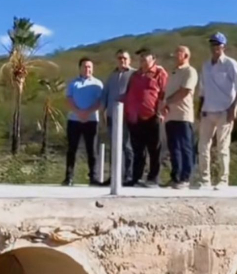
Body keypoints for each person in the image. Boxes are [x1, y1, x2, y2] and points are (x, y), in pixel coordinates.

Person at [197, 32, 237, 190]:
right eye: (212, 44)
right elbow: (202, 89)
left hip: (224, 111)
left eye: (218, 44)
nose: (215, 47)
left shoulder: (230, 64)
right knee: (203, 146)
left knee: (222, 147)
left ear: (223, 46)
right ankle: (205, 179)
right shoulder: (205, 65)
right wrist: (200, 109)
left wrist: (233, 108)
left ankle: (223, 180)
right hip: (208, 111)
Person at [123, 47, 168, 187]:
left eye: (145, 57)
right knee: (138, 150)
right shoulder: (135, 75)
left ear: (153, 59)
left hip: (152, 116)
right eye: (141, 58)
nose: (142, 60)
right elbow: (129, 93)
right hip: (135, 118)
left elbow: (164, 94)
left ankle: (153, 178)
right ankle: (136, 177)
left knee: (154, 149)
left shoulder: (160, 73)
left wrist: (161, 112)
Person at [161, 46, 198, 189]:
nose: (175, 56)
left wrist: (167, 102)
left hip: (183, 116)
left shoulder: (190, 71)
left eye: (178, 53)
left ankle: (185, 178)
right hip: (170, 116)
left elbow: (184, 91)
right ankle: (175, 177)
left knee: (185, 147)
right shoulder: (173, 73)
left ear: (186, 55)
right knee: (173, 148)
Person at [63, 57, 103, 186]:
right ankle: (69, 177)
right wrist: (78, 112)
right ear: (80, 68)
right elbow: (69, 99)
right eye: (85, 67)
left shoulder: (98, 84)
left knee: (92, 150)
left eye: (90, 67)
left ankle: (93, 178)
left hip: (91, 120)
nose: (88, 69)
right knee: (72, 149)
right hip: (74, 120)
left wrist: (87, 112)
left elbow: (100, 102)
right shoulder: (73, 83)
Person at [101, 49, 135, 186]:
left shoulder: (134, 74)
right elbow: (105, 94)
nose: (122, 61)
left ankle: (128, 175)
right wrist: (102, 111)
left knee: (127, 146)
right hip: (111, 116)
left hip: (127, 117)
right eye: (120, 58)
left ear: (129, 60)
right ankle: (114, 176)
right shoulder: (112, 76)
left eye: (125, 58)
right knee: (114, 147)